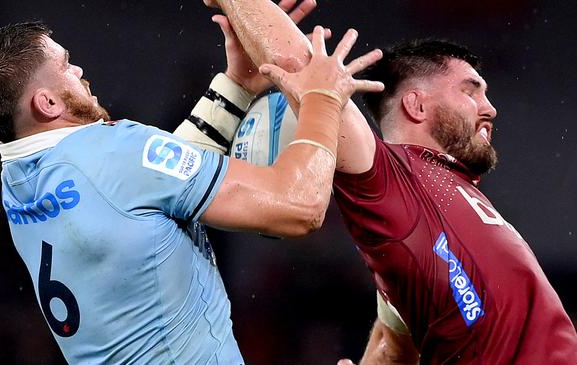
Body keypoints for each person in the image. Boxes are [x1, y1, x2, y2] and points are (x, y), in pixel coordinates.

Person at [0, 5, 384, 362]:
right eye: (66, 65)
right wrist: (323, 99)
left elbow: (150, 188)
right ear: (46, 103)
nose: (80, 70)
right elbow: (298, 208)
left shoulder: (19, 175)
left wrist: (236, 87)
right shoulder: (113, 152)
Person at [203, 0, 577, 363]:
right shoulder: (392, 180)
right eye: (470, 90)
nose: (490, 108)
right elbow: (302, 67)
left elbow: (391, 341)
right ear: (416, 105)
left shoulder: (433, 203)